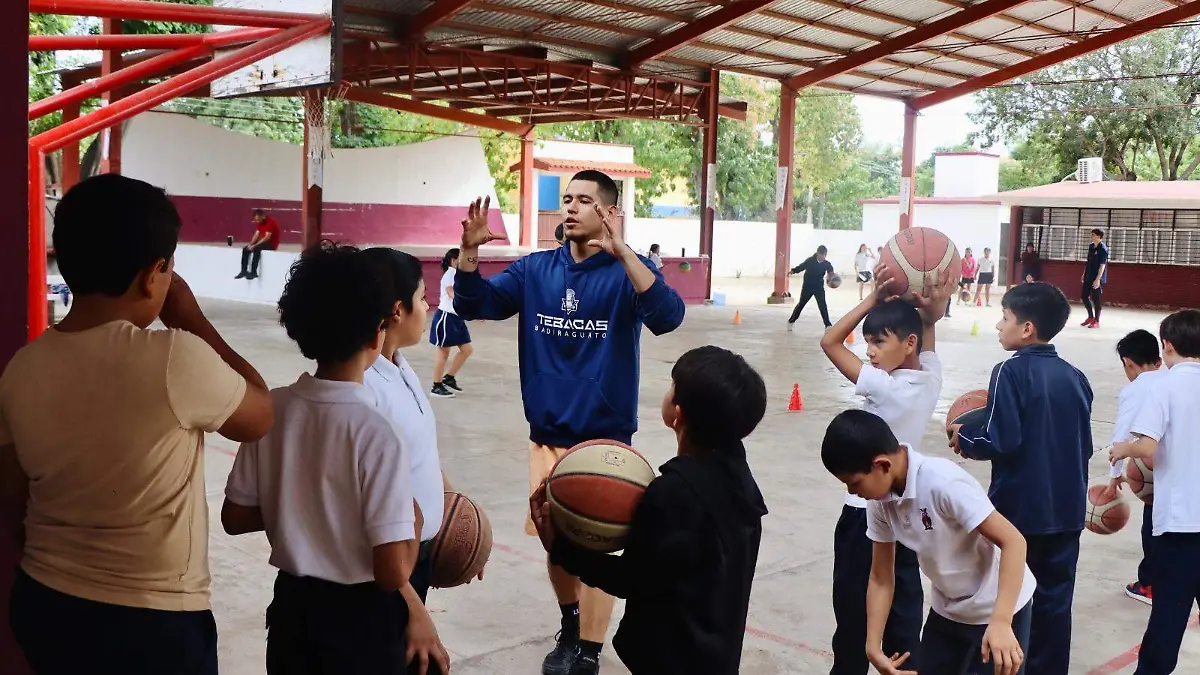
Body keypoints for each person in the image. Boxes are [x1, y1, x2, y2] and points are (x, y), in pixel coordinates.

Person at [0, 174, 273, 675]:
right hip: (152, 621)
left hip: (43, 601)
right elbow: (258, 414)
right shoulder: (174, 356)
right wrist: (189, 316)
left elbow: (12, 496)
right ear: (156, 275)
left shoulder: (23, 365)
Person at [452, 169, 686, 675]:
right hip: (548, 437)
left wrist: (625, 253)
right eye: (568, 199)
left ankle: (590, 649)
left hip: (605, 441)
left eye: (585, 200)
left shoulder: (629, 272)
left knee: (601, 543)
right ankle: (570, 621)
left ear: (608, 212)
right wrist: (469, 254)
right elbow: (475, 304)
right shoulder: (535, 269)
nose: (572, 208)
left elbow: (668, 316)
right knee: (557, 543)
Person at [222, 242, 422, 675]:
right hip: (361, 623)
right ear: (377, 333)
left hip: (293, 612)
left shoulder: (271, 410)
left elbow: (234, 518)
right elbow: (391, 572)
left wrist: (300, 505)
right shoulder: (377, 433)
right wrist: (416, 519)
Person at [529, 345, 768, 675]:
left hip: (671, 659)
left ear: (678, 412)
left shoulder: (673, 493)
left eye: (672, 385)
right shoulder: (741, 479)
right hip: (718, 653)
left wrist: (561, 547)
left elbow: (632, 580)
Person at [822, 409, 1035, 675]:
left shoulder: (942, 483)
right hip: (948, 608)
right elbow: (881, 578)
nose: (852, 492)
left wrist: (1002, 621)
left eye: (853, 483)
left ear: (882, 465)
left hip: (998, 605)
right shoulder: (880, 502)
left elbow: (1014, 541)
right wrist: (873, 646)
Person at [819, 263, 957, 675]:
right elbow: (926, 347)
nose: (870, 352)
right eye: (867, 344)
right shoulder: (930, 381)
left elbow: (829, 342)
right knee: (903, 621)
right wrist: (933, 313)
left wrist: (872, 300)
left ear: (906, 343)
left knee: (853, 622)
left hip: (864, 517)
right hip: (907, 518)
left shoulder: (885, 386)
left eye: (879, 342)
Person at [950, 282, 1094, 675]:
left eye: (1005, 318)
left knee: (1011, 605)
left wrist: (964, 436)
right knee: (1055, 607)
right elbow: (1084, 446)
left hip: (1019, 514)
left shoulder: (1009, 371)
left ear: (1026, 328)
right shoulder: (1076, 376)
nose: (998, 325)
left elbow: (1002, 438)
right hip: (1066, 511)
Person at [363, 246, 467, 675]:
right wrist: (413, 607)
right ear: (396, 311)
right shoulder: (365, 388)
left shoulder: (400, 367)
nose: (430, 306)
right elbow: (364, 519)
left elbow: (418, 455)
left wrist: (456, 518)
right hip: (388, 572)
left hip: (414, 556)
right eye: (423, 298)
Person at [1110, 309, 1200, 675]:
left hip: (1181, 523)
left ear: (1167, 346)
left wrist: (1122, 451)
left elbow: (1146, 447)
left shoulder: (1163, 384)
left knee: (1169, 613)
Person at [1103, 329, 1166, 606]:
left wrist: (1115, 476)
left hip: (1155, 466)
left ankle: (1150, 585)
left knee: (1153, 526)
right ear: (1160, 360)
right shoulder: (1172, 381)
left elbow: (1122, 435)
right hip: (1188, 469)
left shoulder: (1134, 390)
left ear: (1128, 363)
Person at [429, 248, 474, 398]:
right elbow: (451, 293)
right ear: (454, 261)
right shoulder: (450, 274)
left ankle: (449, 377)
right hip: (446, 318)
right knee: (443, 353)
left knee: (467, 350)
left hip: (457, 318)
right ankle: (436, 386)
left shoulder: (459, 275)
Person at [786, 245, 836, 331]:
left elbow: (830, 270)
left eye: (824, 255)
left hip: (819, 287)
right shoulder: (810, 261)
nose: (822, 257)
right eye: (821, 255)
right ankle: (791, 321)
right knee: (801, 304)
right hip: (807, 287)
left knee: (823, 306)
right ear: (817, 254)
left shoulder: (826, 264)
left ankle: (828, 325)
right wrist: (793, 270)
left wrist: (831, 276)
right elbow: (802, 266)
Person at [236, 208, 282, 280]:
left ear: (263, 216)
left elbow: (267, 238)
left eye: (258, 220)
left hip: (271, 244)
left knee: (256, 248)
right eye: (256, 220)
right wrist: (250, 244)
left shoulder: (270, 222)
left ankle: (254, 272)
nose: (257, 221)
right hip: (264, 242)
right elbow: (256, 234)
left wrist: (255, 245)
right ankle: (243, 271)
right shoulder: (259, 222)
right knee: (246, 249)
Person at [1081, 228, 1108, 328]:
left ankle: (1096, 321)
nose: (1091, 236)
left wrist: (1097, 280)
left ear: (1098, 236)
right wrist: (1084, 273)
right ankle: (1090, 317)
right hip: (1089, 275)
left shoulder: (1103, 249)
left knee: (1096, 299)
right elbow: (1088, 262)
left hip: (1097, 277)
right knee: (1084, 296)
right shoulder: (1091, 247)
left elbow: (1102, 265)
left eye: (1093, 235)